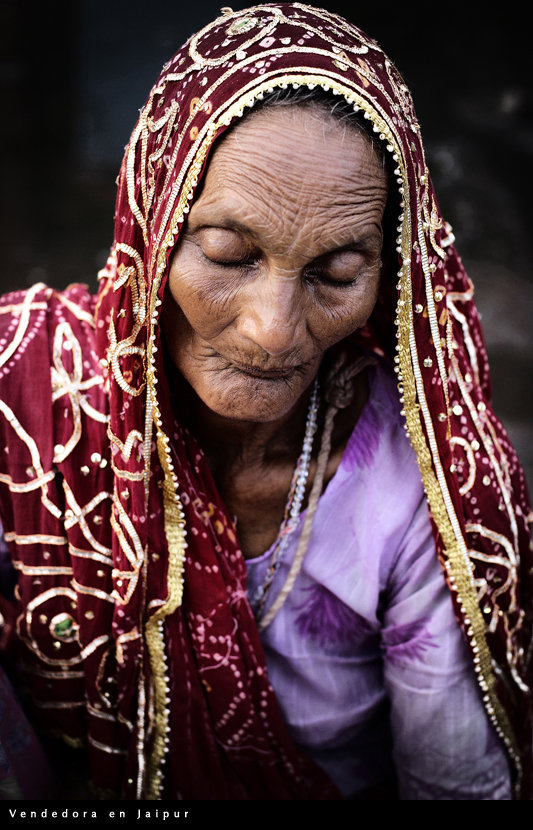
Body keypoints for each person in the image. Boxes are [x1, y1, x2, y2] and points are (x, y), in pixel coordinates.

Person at [0, 3, 531, 801]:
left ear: (388, 277)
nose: (274, 330)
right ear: (152, 224)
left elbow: (454, 783)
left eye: (336, 275)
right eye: (226, 254)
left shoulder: (429, 479)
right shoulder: (21, 393)